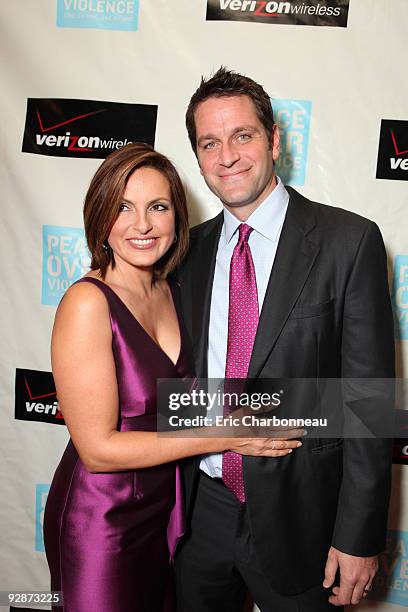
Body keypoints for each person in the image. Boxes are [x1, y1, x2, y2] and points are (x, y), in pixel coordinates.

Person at [43, 142, 302, 612]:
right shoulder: (88, 303)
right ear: (100, 216)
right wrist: (225, 435)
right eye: (123, 207)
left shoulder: (176, 289)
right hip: (101, 518)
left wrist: (299, 411)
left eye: (157, 207)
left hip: (166, 511)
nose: (141, 225)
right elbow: (98, 451)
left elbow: (189, 396)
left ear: (176, 218)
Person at [175, 68, 395, 611]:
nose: (227, 156)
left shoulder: (348, 241)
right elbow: (176, 386)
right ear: (198, 157)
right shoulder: (185, 254)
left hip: (307, 520)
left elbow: (368, 402)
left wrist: (359, 537)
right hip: (200, 512)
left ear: (274, 139)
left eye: (242, 135)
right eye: (210, 143)